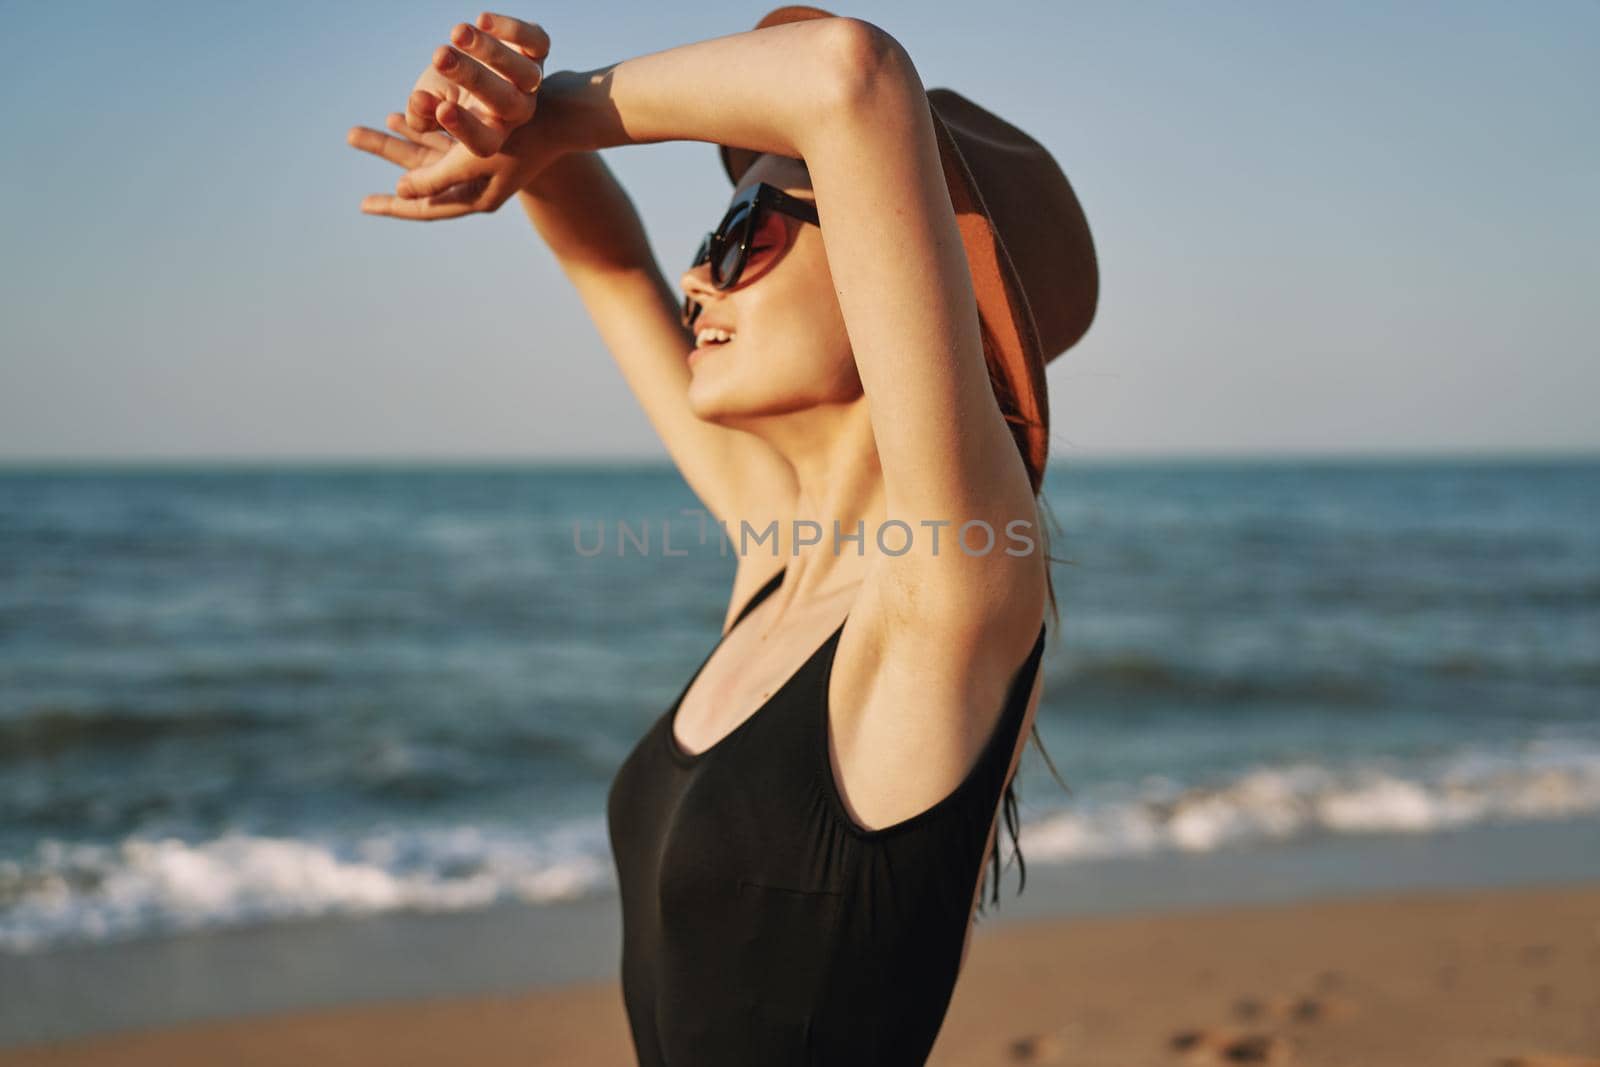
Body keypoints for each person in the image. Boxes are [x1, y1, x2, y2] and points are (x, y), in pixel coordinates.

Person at [347, 7, 1096, 1063]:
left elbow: (851, 74)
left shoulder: (944, 596)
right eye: (712, 240)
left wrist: (561, 114)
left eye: (750, 235)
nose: (700, 278)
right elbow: (611, 266)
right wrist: (512, 133)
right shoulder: (780, 551)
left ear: (907, 268)